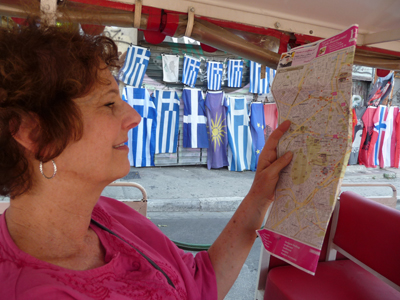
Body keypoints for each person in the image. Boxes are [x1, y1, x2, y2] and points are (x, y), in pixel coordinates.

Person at [0, 17, 293, 300]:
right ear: (33, 133)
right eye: (109, 103)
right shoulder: (24, 289)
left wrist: (259, 195)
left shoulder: (111, 214)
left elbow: (200, 283)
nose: (134, 116)